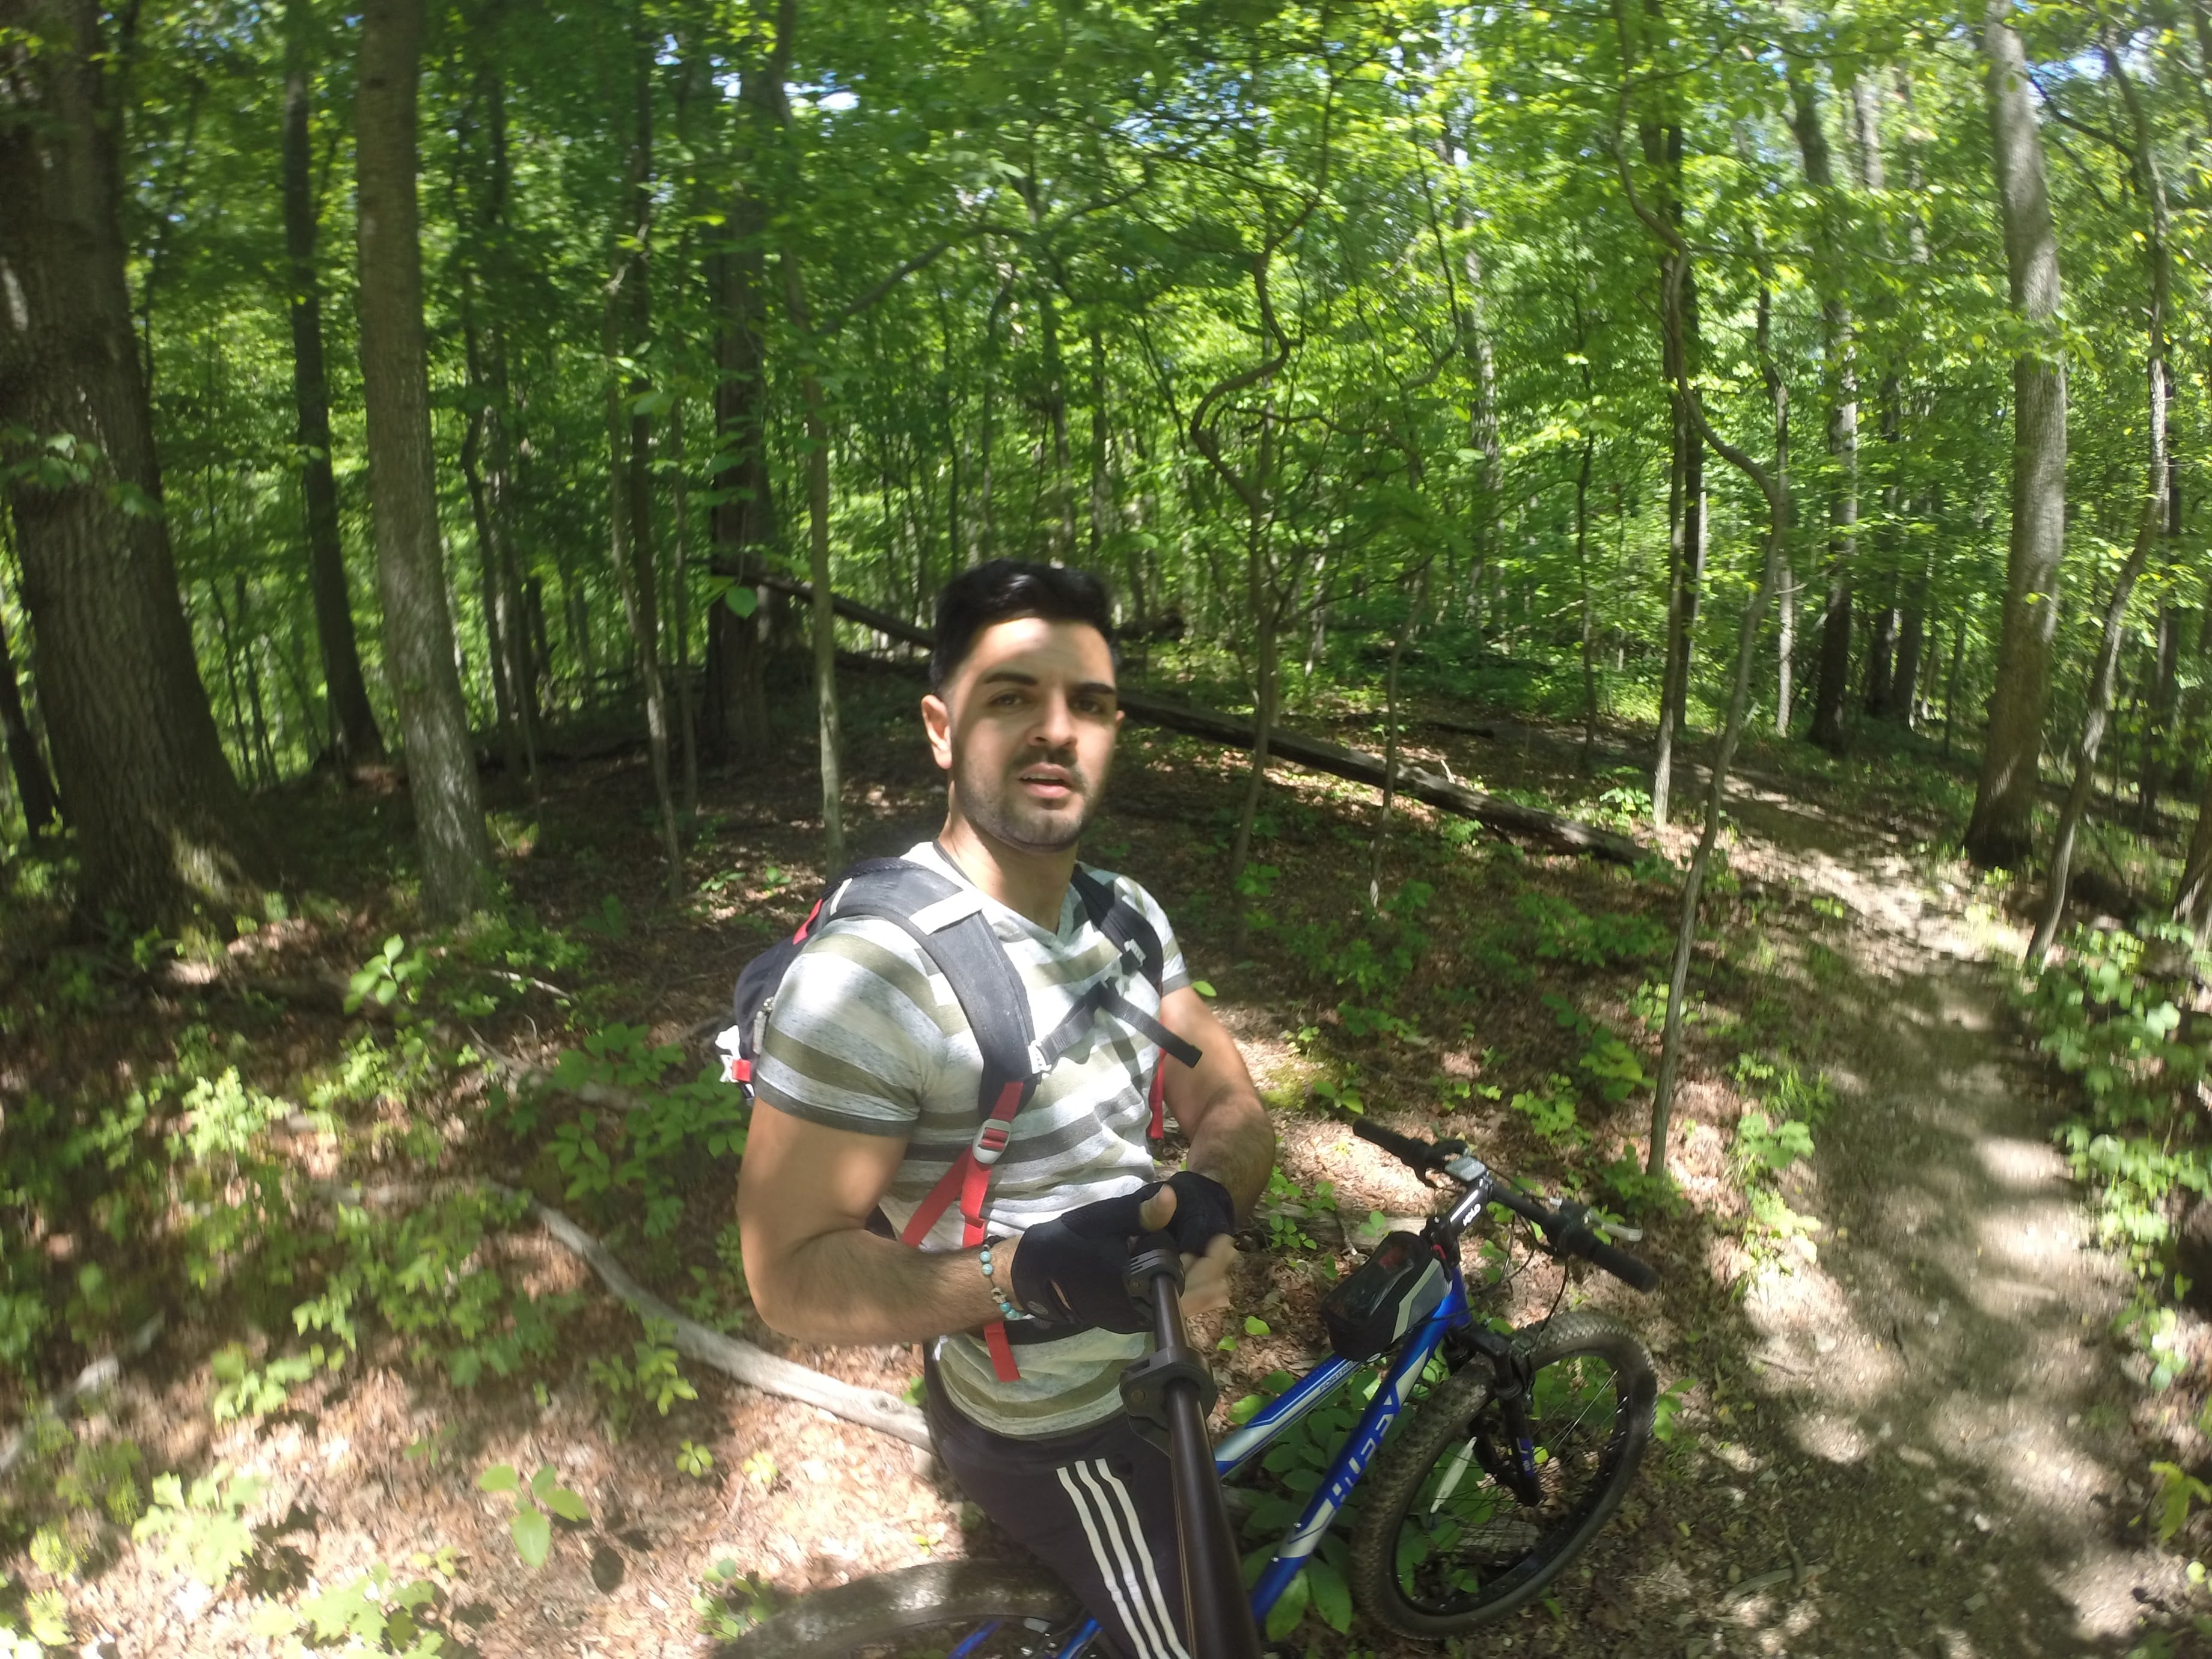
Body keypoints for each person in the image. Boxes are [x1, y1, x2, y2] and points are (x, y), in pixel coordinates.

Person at [736, 559, 1276, 1659]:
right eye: (1012, 697)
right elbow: (786, 1275)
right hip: (1052, 1429)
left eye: (1090, 702)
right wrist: (1021, 1274)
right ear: (942, 728)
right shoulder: (873, 981)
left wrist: (1215, 1185)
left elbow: (1224, 1092)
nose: (1056, 729)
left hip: (1149, 1373)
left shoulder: (1124, 916)